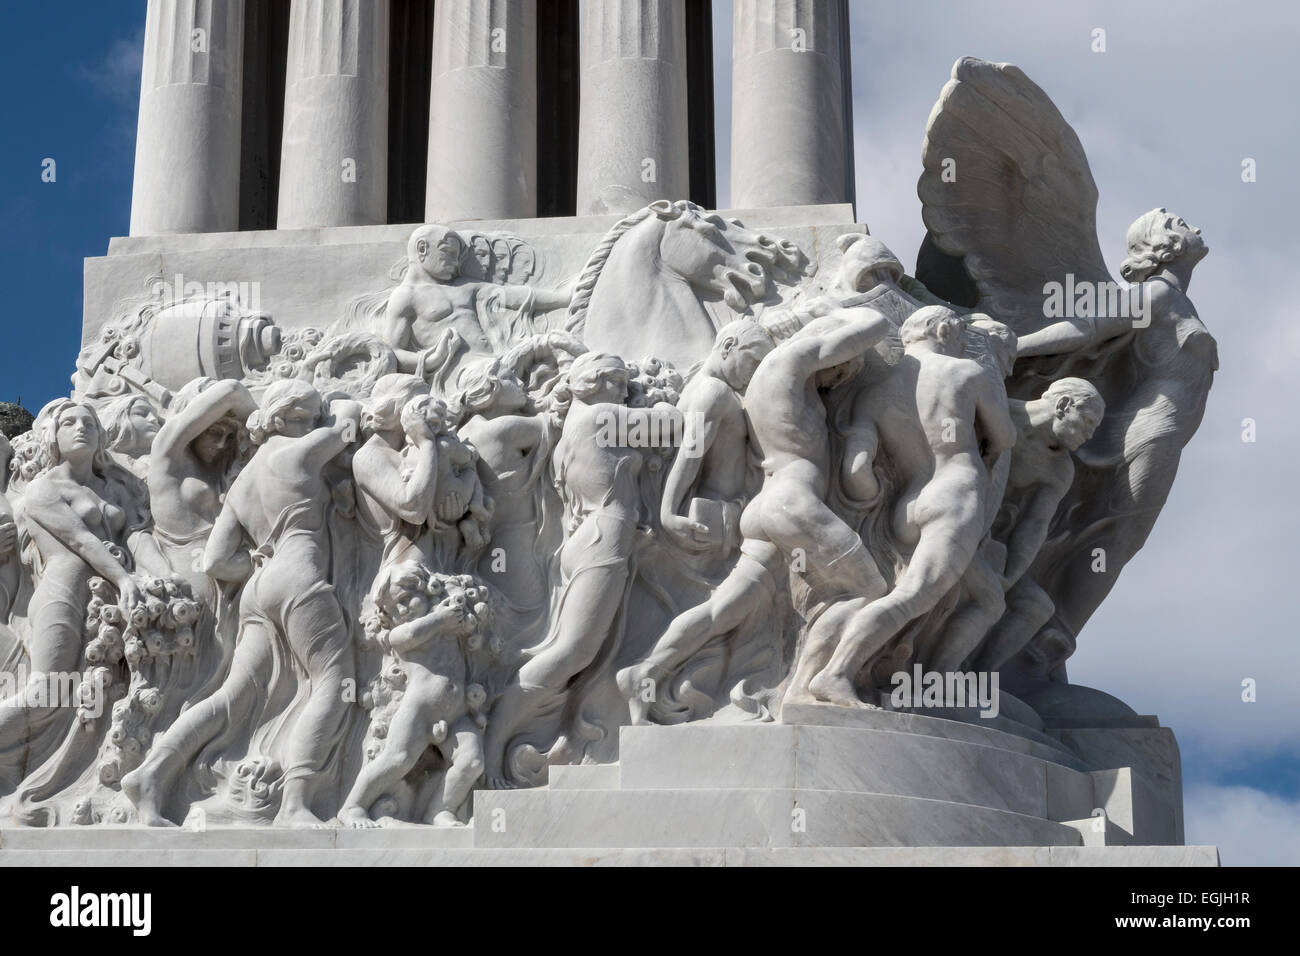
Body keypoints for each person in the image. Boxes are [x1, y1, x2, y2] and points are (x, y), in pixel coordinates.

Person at [124, 380, 361, 827]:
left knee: (232, 695)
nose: (317, 421)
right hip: (299, 577)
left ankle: (151, 774)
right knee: (334, 681)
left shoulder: (242, 483)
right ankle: (295, 805)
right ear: (291, 417)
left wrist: (254, 564)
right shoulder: (298, 452)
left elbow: (214, 561)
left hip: (258, 587)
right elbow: (347, 421)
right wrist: (336, 408)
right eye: (311, 415)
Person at [483, 353, 680, 787]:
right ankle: (494, 743)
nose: (626, 391)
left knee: (581, 652)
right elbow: (676, 428)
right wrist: (663, 404)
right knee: (572, 651)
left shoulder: (570, 426)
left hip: (586, 540)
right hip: (604, 537)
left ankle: (539, 733)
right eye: (620, 382)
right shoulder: (602, 415)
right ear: (596, 382)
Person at [810, 306, 1016, 707]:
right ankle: (835, 673)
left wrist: (868, 496)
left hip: (906, 507)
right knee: (912, 596)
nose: (959, 344)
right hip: (955, 495)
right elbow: (1004, 437)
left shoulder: (874, 393)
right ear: (943, 329)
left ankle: (929, 679)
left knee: (986, 596)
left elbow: (856, 470)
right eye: (957, 336)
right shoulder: (964, 373)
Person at [615, 320, 776, 723]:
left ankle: (656, 678)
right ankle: (647, 675)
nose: (754, 372)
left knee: (726, 610)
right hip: (716, 522)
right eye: (752, 360)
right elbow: (692, 450)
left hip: (725, 519)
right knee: (726, 608)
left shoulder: (702, 390)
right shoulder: (714, 391)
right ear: (729, 346)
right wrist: (669, 512)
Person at [338, 562, 488, 828]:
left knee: (472, 761)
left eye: (407, 600)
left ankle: (441, 810)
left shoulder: (445, 619)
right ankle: (353, 806)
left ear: (426, 589)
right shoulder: (402, 634)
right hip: (420, 709)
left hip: (456, 712)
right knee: (397, 759)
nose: (402, 610)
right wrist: (440, 619)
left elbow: (469, 626)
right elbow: (410, 633)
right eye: (393, 609)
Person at [377, 225, 573, 378]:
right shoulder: (405, 296)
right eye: (449, 254)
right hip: (462, 373)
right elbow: (394, 351)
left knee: (555, 350)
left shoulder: (465, 286)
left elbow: (514, 295)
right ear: (422, 249)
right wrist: (432, 359)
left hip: (494, 362)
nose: (456, 263)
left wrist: (565, 297)